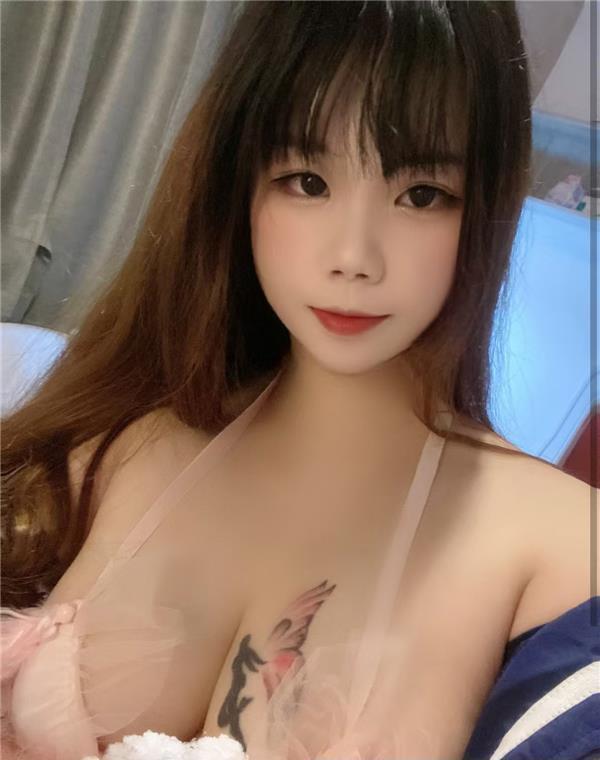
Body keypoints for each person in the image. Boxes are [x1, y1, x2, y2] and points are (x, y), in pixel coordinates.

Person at [1, 2, 597, 758]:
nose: (353, 256)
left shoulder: (560, 548)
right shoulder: (125, 443)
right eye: (307, 181)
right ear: (238, 183)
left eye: (422, 194)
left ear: (485, 206)